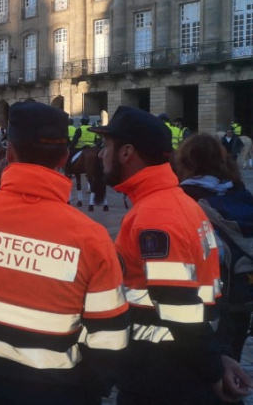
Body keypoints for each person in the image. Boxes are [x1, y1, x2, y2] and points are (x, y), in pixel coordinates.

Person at [0, 102, 129, 405]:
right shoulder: (93, 239)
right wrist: (86, 391)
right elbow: (110, 337)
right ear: (63, 158)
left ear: (9, 155)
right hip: (55, 392)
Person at [88, 106, 225, 404]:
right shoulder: (177, 201)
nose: (100, 155)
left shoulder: (155, 216)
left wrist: (214, 372)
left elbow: (180, 311)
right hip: (178, 366)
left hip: (162, 376)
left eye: (105, 146)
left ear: (126, 153)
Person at [173, 133, 253, 404]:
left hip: (207, 299)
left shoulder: (184, 196)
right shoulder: (239, 192)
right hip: (242, 293)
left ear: (186, 161)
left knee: (204, 368)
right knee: (233, 358)